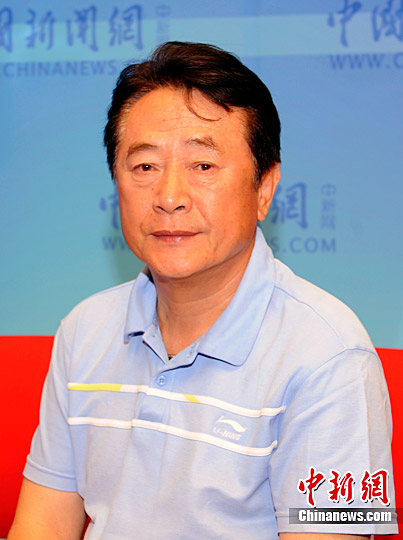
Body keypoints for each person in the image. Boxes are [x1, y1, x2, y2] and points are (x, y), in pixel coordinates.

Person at [9, 41, 397, 539]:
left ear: (264, 188)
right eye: (145, 166)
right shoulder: (84, 329)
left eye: (203, 166)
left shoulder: (332, 357)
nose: (169, 197)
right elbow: (43, 524)